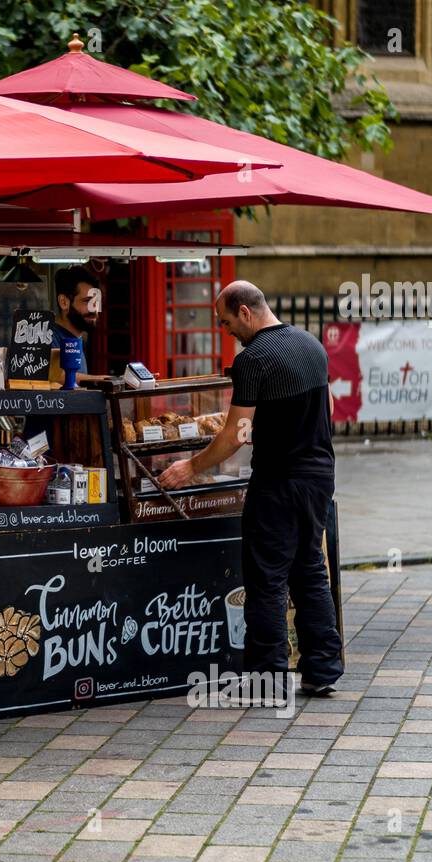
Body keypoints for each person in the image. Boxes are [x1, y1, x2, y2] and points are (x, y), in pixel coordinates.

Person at [160, 280, 343, 698]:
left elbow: (234, 435)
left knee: (266, 577)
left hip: (277, 482)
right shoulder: (311, 345)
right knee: (310, 568)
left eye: (227, 323)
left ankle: (268, 676)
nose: (227, 332)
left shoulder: (253, 360)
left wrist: (190, 466)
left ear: (245, 312)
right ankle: (323, 668)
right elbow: (328, 409)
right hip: (318, 477)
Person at [51, 265, 101, 383]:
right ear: (64, 302)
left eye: (96, 302)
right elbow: (56, 376)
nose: (95, 309)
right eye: (87, 301)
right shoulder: (48, 337)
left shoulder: (77, 338)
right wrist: (107, 380)